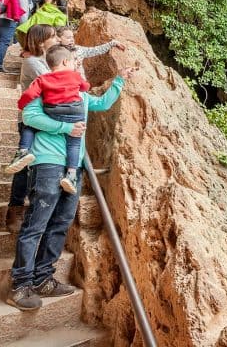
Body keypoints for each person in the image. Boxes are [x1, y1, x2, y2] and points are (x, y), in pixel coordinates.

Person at [7, 65, 135, 310]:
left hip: (72, 168)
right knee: (36, 225)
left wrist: (120, 80)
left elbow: (103, 103)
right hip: (47, 163)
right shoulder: (44, 91)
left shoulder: (82, 96)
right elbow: (29, 116)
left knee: (60, 224)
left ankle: (43, 277)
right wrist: (66, 128)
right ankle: (20, 284)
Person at [13, 45, 90, 194]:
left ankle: (23, 151)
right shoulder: (74, 76)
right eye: (74, 61)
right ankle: (71, 174)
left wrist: (21, 105)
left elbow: (29, 95)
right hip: (75, 113)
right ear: (66, 62)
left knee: (30, 126)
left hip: (53, 111)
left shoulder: (42, 78)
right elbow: (85, 87)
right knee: (74, 142)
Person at [5, 24, 59, 233]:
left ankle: (34, 209)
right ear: (40, 41)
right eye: (52, 36)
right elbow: (52, 83)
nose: (55, 39)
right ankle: (15, 209)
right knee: (25, 165)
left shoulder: (46, 60)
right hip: (31, 118)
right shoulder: (32, 62)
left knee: (40, 163)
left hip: (46, 118)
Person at [56, 26, 126, 78]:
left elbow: (95, 50)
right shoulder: (55, 53)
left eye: (72, 37)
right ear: (58, 39)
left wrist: (112, 43)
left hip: (81, 87)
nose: (72, 40)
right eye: (68, 38)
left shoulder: (78, 49)